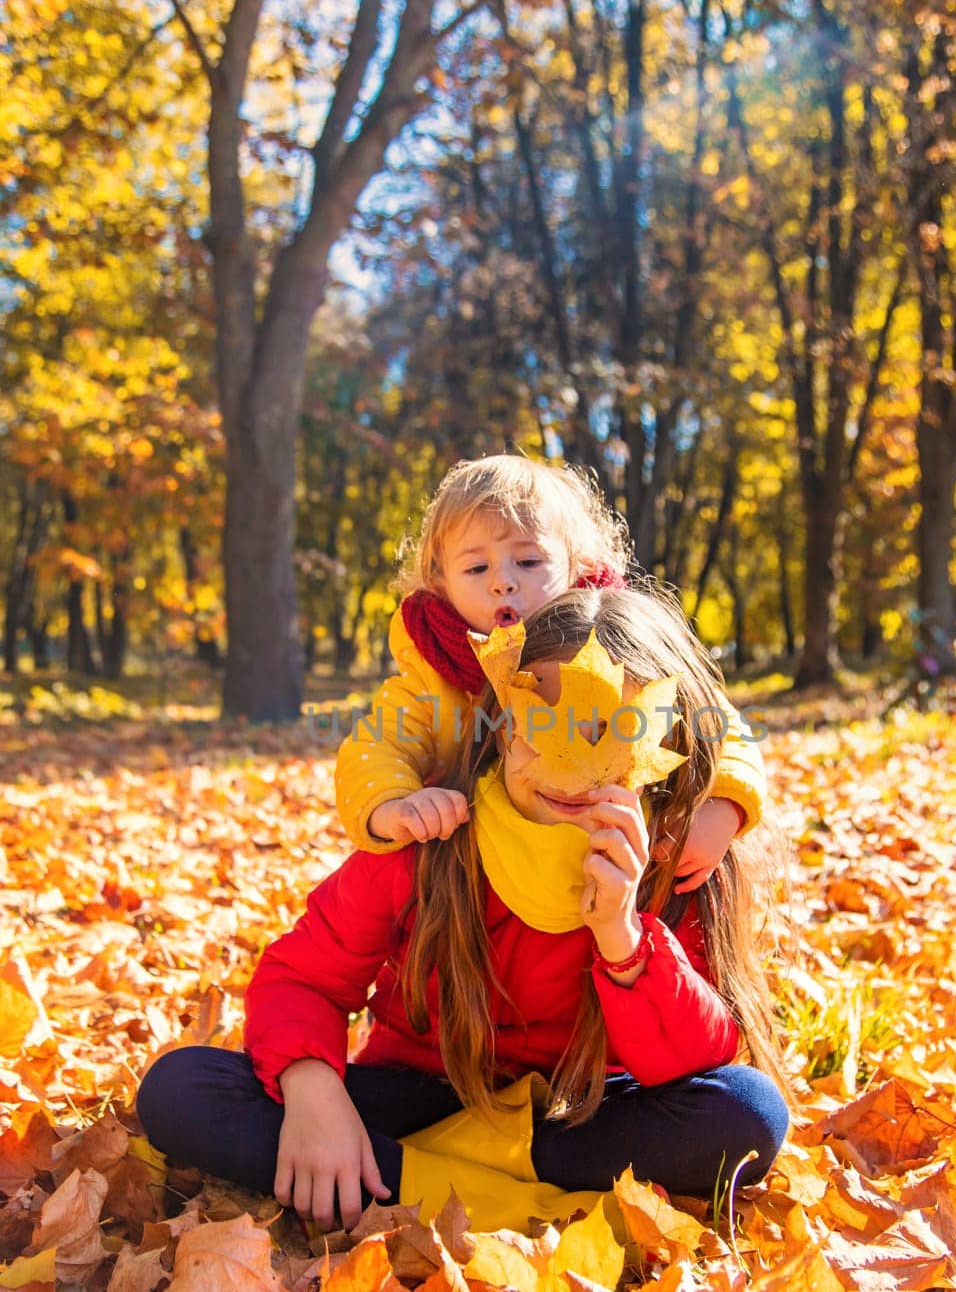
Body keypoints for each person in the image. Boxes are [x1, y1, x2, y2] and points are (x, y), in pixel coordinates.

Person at [138, 589, 790, 1234]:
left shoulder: (674, 863)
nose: (566, 768)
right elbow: (303, 976)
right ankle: (511, 1195)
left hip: (574, 1113)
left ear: (661, 747)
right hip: (418, 1095)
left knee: (749, 1115)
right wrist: (314, 1094)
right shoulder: (431, 837)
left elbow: (689, 1063)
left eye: (602, 736)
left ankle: (409, 1185)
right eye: (540, 728)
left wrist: (621, 935)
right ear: (501, 731)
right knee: (182, 1088)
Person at [335, 453, 767, 893]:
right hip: (475, 870)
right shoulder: (433, 671)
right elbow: (379, 744)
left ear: (575, 564)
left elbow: (718, 725)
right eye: (476, 567)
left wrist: (723, 806)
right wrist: (393, 806)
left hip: (613, 852)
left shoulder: (617, 647)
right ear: (440, 579)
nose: (502, 581)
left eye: (528, 562)